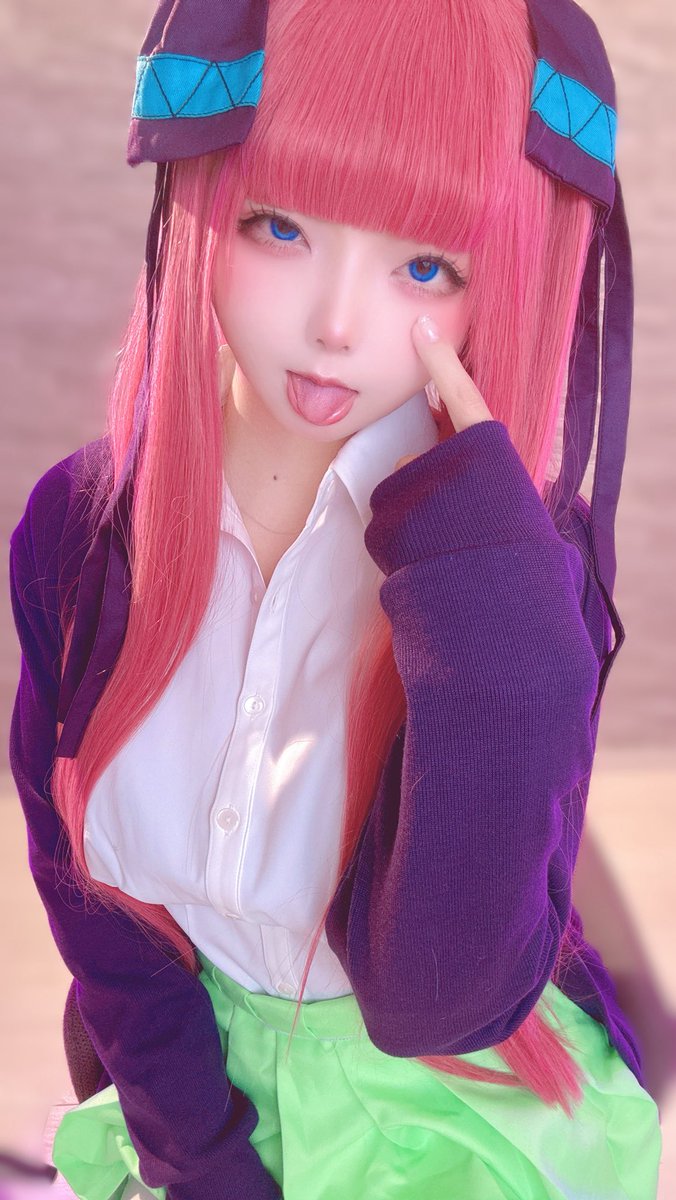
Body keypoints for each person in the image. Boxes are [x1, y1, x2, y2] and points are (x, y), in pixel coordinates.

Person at [8, 0, 663, 1197]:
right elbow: (99, 919)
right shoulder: (82, 530)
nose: (336, 326)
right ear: (198, 194)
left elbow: (442, 999)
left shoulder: (516, 573)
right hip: (192, 1085)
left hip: (449, 1107)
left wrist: (496, 613)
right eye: (280, 225)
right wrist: (202, 1159)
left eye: (424, 265)